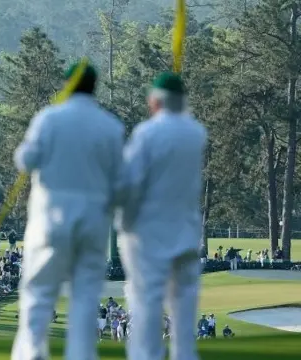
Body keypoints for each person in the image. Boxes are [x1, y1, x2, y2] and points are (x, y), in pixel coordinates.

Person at [11, 61, 124, 360]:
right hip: (93, 216)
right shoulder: (110, 126)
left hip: (51, 212)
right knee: (86, 293)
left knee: (38, 288)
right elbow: (120, 177)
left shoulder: (49, 118)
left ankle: (33, 351)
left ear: (67, 84)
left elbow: (27, 159)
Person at [116, 72, 207, 360]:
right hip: (186, 233)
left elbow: (130, 183)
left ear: (155, 101)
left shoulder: (147, 133)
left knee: (146, 310)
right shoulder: (196, 132)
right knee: (183, 315)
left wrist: (124, 223)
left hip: (150, 234)